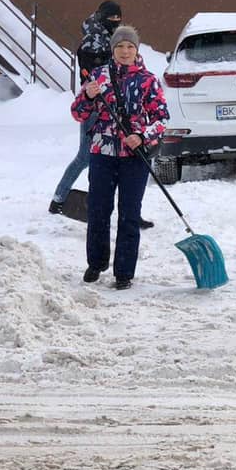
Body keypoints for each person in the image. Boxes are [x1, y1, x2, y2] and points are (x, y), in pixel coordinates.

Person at [70, 25, 169, 290]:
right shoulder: (98, 77)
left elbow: (161, 119)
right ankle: (96, 263)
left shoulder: (148, 80)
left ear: (137, 49)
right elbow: (78, 113)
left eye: (130, 47)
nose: (125, 51)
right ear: (113, 49)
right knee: (98, 211)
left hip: (134, 157)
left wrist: (142, 136)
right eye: (120, 47)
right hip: (101, 154)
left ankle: (124, 272)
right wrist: (88, 96)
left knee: (129, 214)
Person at [50, 1, 154, 229]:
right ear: (101, 17)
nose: (115, 22)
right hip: (97, 108)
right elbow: (94, 77)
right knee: (85, 157)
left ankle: (132, 211)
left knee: (132, 158)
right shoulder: (91, 43)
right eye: (111, 18)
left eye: (118, 18)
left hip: (123, 108)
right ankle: (59, 199)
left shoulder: (118, 39)